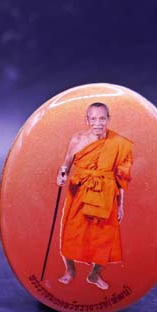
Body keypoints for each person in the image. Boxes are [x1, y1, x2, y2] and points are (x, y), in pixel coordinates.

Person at [56, 102, 133, 290]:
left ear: (108, 119)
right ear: (87, 120)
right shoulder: (77, 140)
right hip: (79, 192)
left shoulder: (119, 143)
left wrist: (121, 204)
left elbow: (121, 177)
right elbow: (66, 164)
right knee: (71, 232)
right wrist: (62, 174)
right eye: (93, 119)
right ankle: (70, 270)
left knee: (104, 236)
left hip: (106, 193)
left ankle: (94, 274)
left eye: (102, 119)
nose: (98, 123)